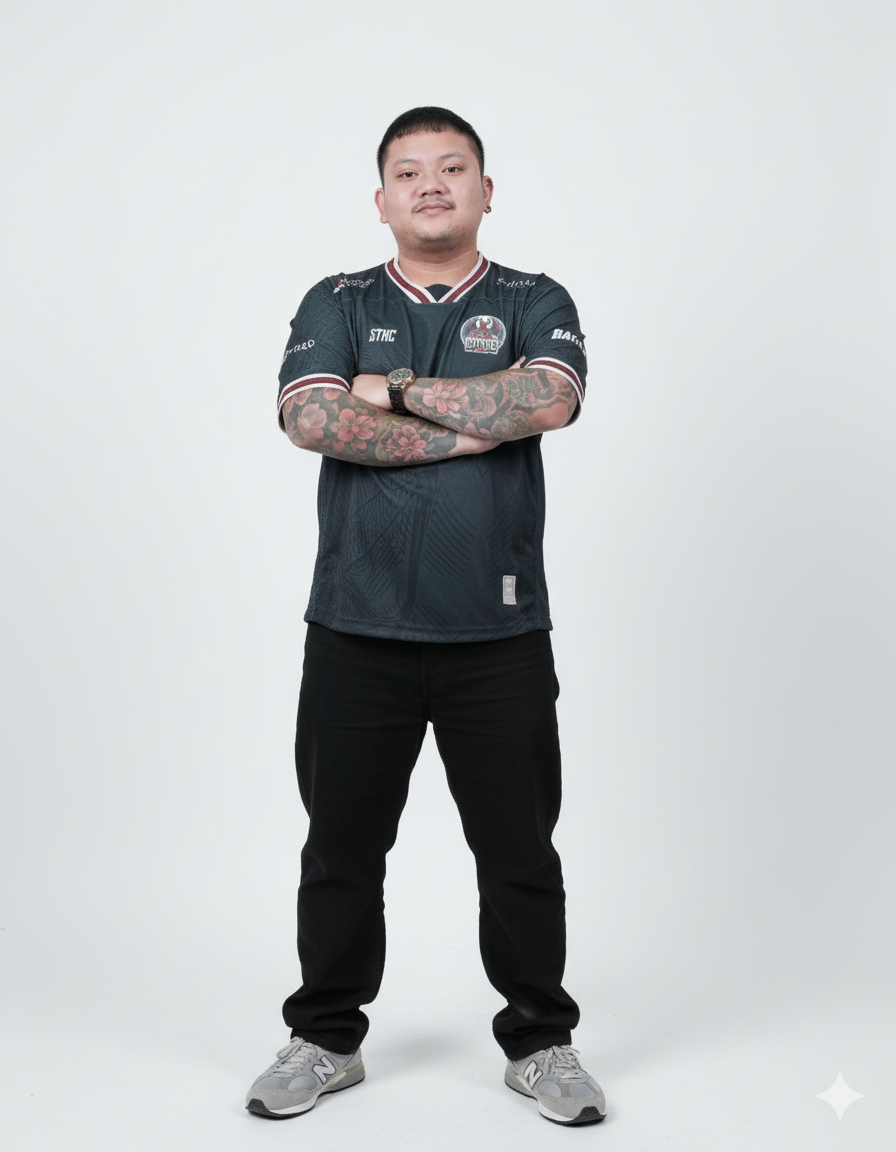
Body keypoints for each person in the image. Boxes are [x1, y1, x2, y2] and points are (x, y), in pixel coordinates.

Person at [245, 106, 606, 1127]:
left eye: (453, 167)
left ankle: (540, 1041)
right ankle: (325, 1037)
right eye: (409, 172)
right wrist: (468, 422)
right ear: (382, 200)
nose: (432, 184)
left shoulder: (534, 298)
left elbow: (546, 401)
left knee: (519, 852)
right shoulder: (338, 299)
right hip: (354, 626)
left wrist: (392, 392)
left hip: (497, 631)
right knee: (340, 849)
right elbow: (311, 417)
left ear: (486, 190)